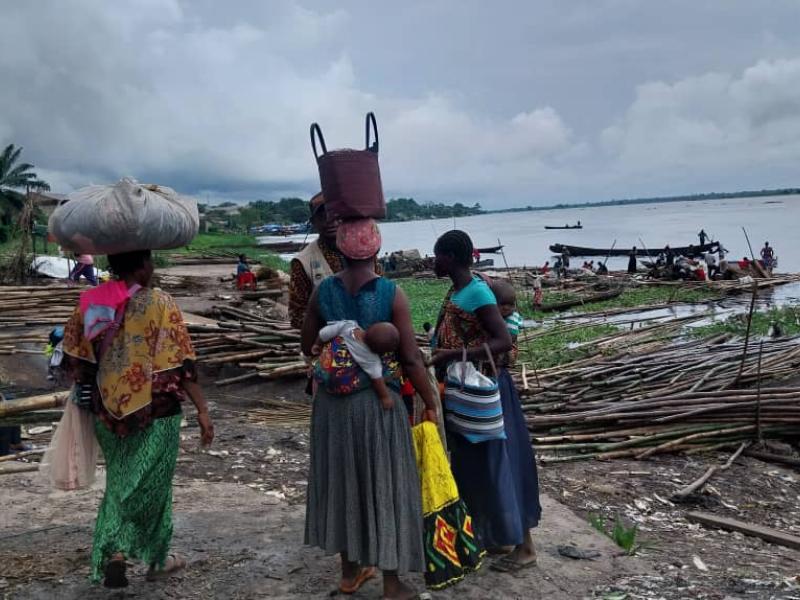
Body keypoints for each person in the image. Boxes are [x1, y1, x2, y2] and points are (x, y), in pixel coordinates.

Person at [301, 218, 439, 600]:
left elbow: (306, 341)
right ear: (377, 250)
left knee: (343, 482)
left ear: (340, 251)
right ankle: (392, 586)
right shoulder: (392, 294)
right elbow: (411, 358)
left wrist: (331, 344)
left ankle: (349, 574)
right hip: (379, 405)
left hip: (331, 405)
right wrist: (429, 402)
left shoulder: (323, 291)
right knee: (387, 484)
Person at [62, 249, 214, 587]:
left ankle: (117, 552)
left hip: (107, 410)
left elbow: (76, 360)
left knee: (119, 483)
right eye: (151, 262)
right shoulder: (161, 304)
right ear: (143, 266)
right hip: (156, 411)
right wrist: (202, 411)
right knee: (154, 487)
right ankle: (153, 558)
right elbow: (183, 364)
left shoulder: (91, 301)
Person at [430, 230, 541, 574]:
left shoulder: (476, 291)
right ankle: (499, 537)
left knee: (502, 462)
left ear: (449, 257)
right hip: (468, 390)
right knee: (479, 466)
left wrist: (453, 353)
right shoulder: (462, 289)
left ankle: (525, 548)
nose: (433, 262)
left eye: (436, 255)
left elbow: (503, 340)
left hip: (486, 392)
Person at [313, 320, 400, 410]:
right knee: (390, 371)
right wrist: (385, 397)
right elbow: (377, 379)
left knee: (332, 348)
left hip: (321, 370)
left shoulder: (348, 326)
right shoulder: (370, 359)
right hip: (338, 386)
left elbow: (325, 333)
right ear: (378, 352)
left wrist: (317, 344)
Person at [288, 193, 343, 329]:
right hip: (328, 340)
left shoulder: (363, 253)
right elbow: (297, 316)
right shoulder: (302, 262)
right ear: (313, 222)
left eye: (335, 215)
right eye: (323, 216)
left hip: (366, 336)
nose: (331, 221)